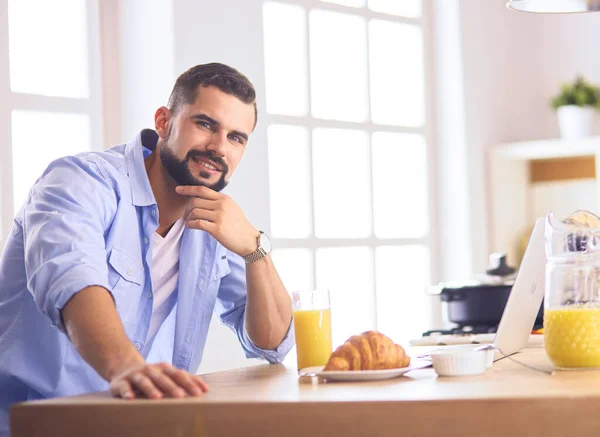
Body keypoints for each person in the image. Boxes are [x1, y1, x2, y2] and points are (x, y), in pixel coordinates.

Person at [0, 62, 294, 435]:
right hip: (31, 425)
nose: (219, 147)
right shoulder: (80, 183)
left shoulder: (214, 223)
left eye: (236, 138)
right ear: (163, 122)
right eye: (205, 124)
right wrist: (127, 368)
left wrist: (256, 248)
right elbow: (71, 279)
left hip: (134, 425)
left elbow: (272, 344)